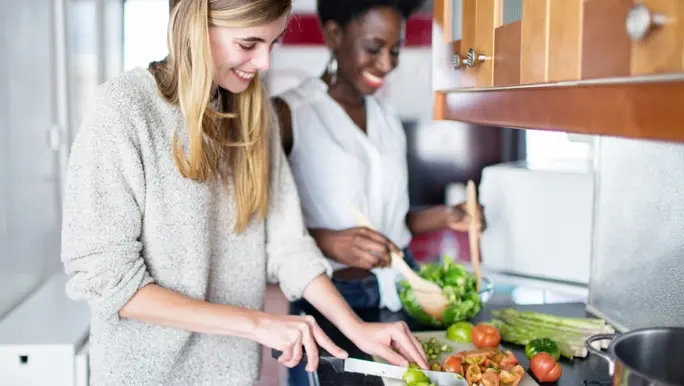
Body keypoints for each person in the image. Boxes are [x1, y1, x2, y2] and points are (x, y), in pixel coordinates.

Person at [59, 1, 429, 385]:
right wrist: (256, 323)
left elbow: (288, 246)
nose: (264, 62)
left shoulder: (255, 115)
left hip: (234, 376)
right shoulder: (124, 109)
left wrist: (355, 328)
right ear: (195, 27)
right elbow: (108, 282)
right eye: (249, 44)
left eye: (274, 42)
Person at [272, 0, 485, 315]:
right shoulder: (289, 114)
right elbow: (260, 229)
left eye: (395, 51)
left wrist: (446, 216)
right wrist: (327, 241)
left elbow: (391, 225)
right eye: (373, 48)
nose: (386, 64)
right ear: (334, 35)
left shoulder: (387, 118)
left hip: (400, 288)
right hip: (329, 297)